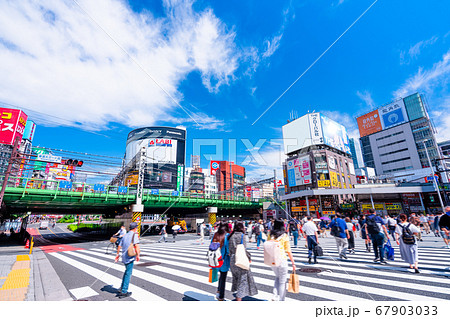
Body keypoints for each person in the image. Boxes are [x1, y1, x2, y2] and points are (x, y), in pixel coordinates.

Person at [228, 221, 258, 301]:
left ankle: (238, 294)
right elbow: (243, 249)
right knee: (243, 279)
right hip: (240, 258)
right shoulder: (242, 236)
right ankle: (239, 298)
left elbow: (230, 250)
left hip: (233, 259)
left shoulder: (231, 235)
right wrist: (249, 257)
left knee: (236, 278)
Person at [268, 219, 296, 301]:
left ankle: (274, 295)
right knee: (282, 282)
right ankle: (281, 300)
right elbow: (288, 250)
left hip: (272, 259)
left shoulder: (270, 234)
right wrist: (293, 263)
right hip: (281, 259)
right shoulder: (285, 236)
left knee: (277, 277)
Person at [115, 222, 140, 298]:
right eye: (137, 227)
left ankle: (122, 288)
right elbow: (137, 246)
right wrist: (138, 255)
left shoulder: (125, 235)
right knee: (128, 274)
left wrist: (117, 254)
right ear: (135, 228)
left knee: (126, 272)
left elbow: (119, 245)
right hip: (130, 257)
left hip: (124, 257)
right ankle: (124, 291)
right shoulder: (134, 235)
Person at [212, 222, 230, 301]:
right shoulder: (226, 236)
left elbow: (211, 246)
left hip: (215, 259)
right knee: (223, 278)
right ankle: (221, 296)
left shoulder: (215, 235)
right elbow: (228, 250)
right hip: (223, 260)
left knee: (219, 277)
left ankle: (218, 291)